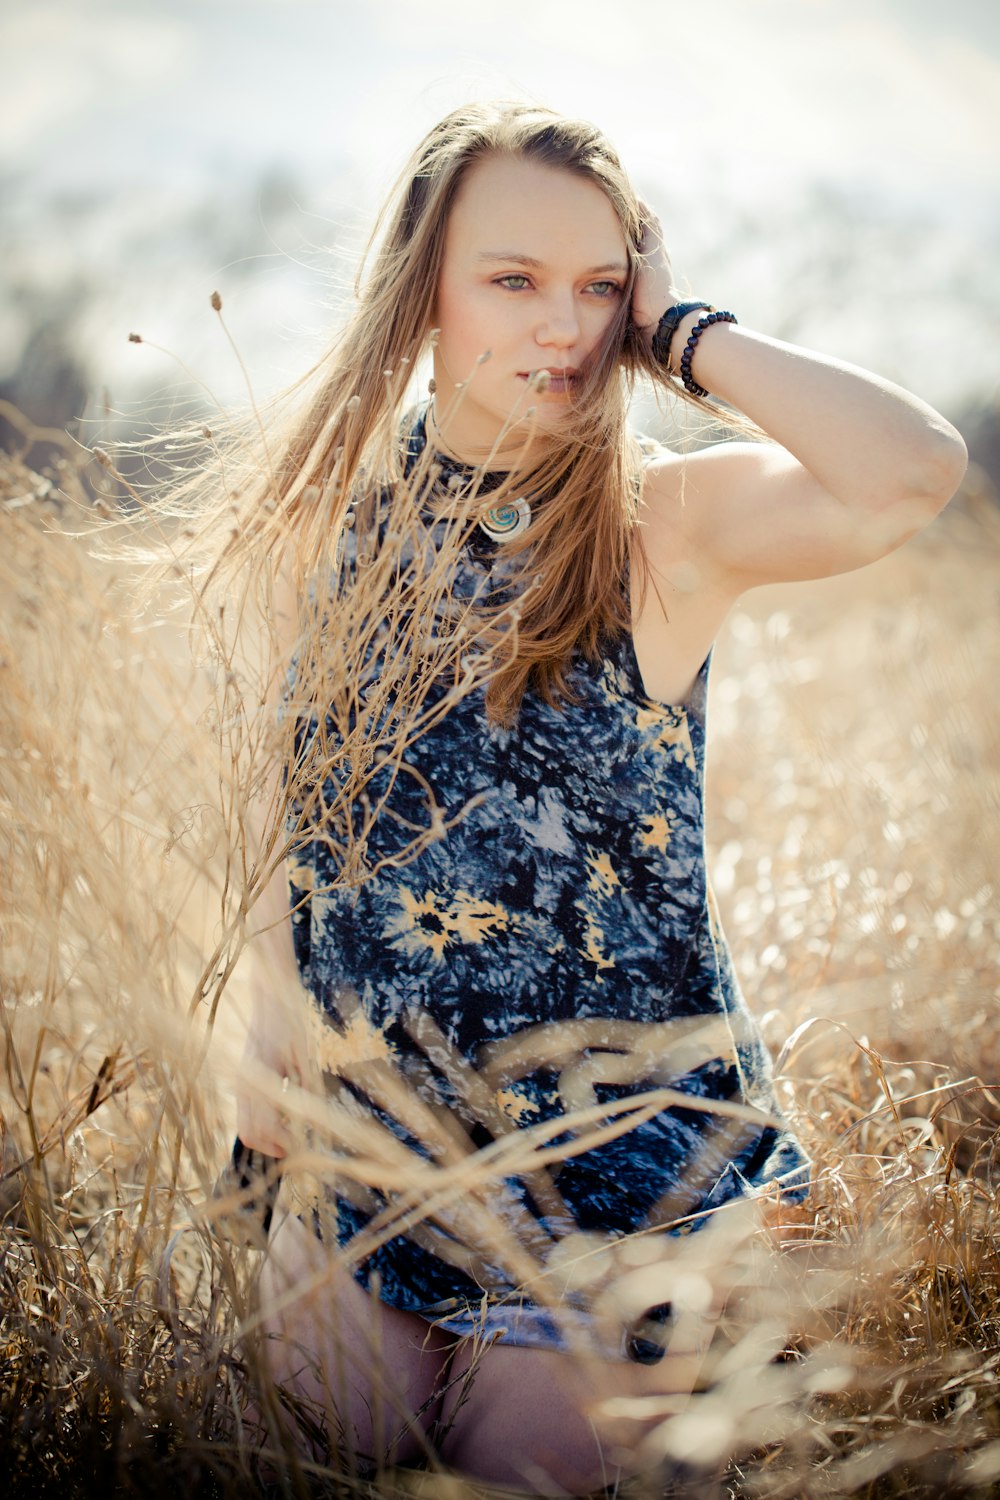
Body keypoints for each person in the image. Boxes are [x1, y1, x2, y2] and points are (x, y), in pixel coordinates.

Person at [228, 102, 967, 1493]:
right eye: (513, 280)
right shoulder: (328, 525)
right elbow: (295, 813)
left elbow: (912, 471)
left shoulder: (661, 526)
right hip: (371, 1140)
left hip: (613, 1170)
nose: (563, 325)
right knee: (320, 1460)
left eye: (598, 286)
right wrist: (272, 1040)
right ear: (423, 290)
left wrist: (686, 332)